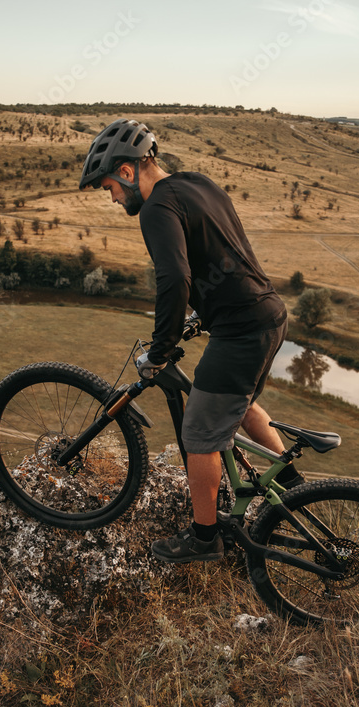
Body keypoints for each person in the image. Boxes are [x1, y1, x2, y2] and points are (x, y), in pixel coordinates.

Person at [79, 117, 301, 563]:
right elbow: (226, 249)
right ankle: (296, 493)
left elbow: (175, 278)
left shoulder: (156, 209)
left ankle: (204, 540)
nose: (114, 197)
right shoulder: (197, 184)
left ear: (126, 171)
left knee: (198, 431)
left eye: (109, 188)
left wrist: (160, 350)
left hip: (241, 331)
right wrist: (203, 314)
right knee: (239, 406)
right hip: (270, 316)